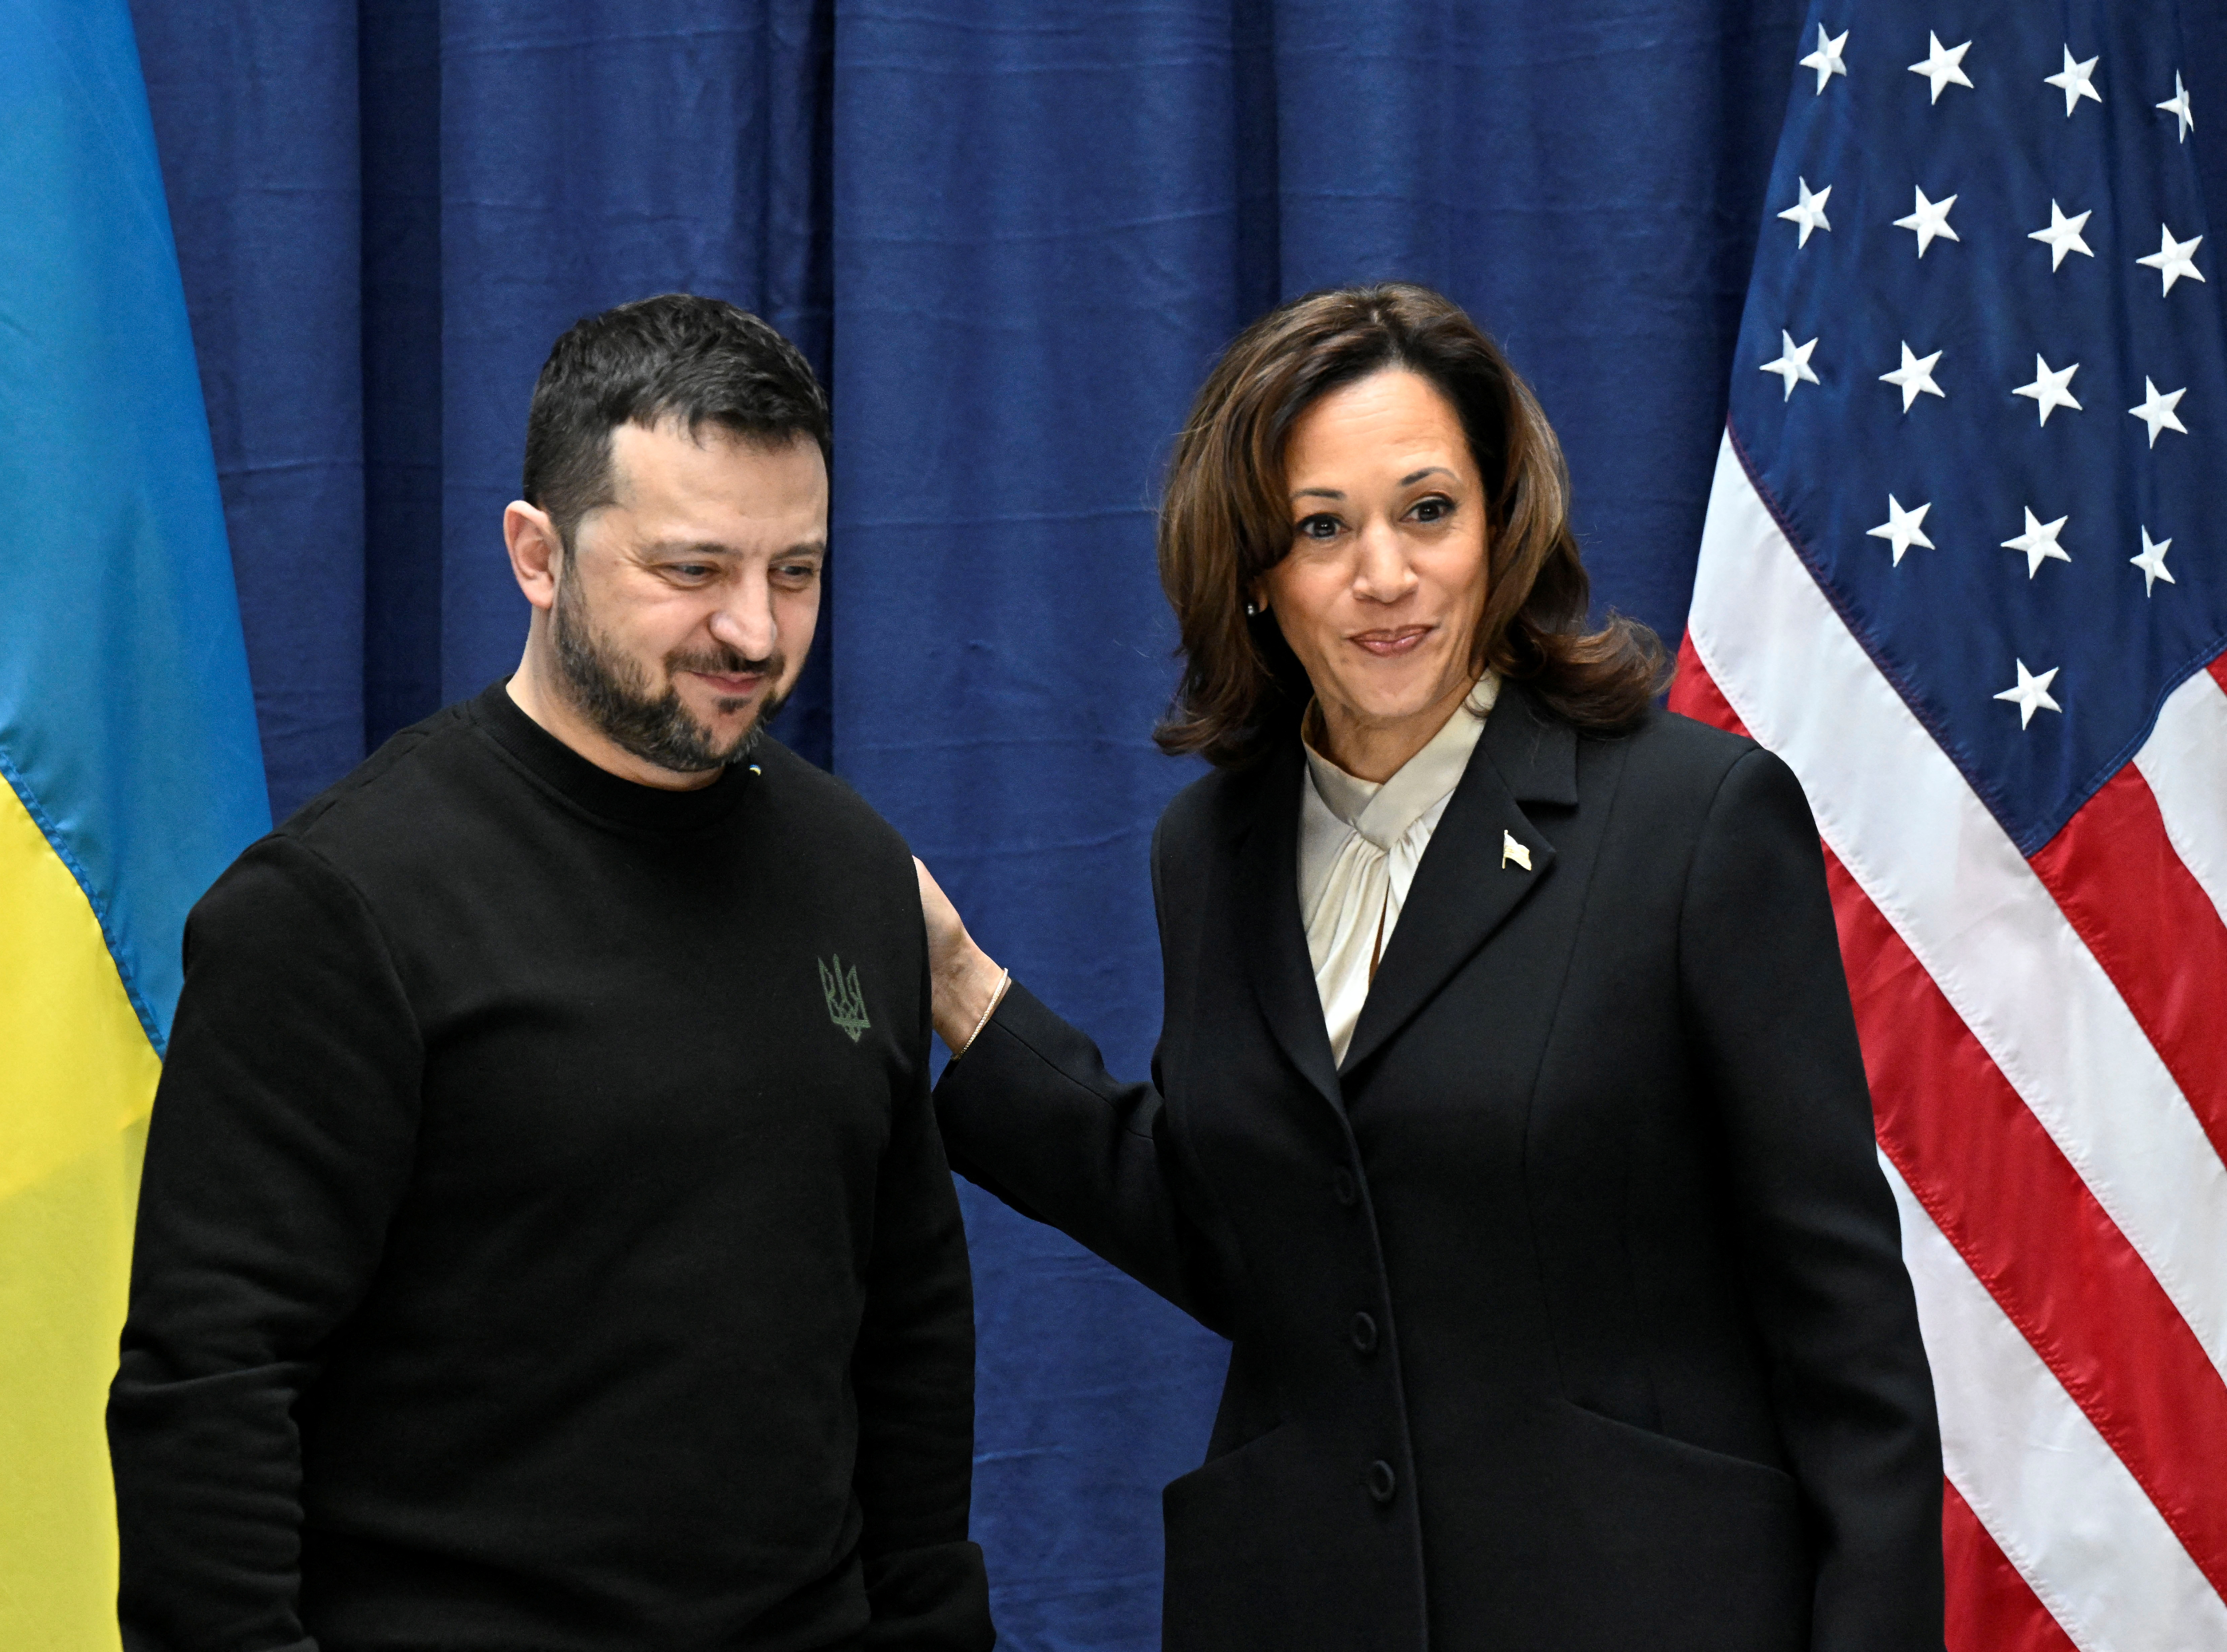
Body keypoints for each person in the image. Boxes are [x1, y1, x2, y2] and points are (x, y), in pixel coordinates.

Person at [915, 283, 1942, 1651]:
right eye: (1322, 527)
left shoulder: (1696, 822)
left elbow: (1850, 1341)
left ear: (1502, 526)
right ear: (1254, 574)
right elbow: (1270, 1243)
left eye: (1427, 512)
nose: (1383, 576)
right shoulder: (1208, 854)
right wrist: (969, 997)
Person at [109, 295, 993, 1652]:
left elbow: (909, 1335)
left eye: (797, 571)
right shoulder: (336, 911)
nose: (754, 633)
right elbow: (212, 1392)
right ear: (538, 553)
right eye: (691, 571)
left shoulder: (857, 870)